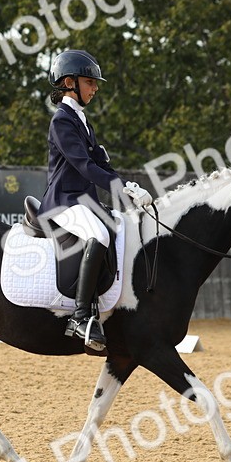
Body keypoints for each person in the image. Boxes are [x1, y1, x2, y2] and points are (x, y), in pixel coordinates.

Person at [39, 49, 152, 352]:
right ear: (68, 82)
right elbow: (84, 167)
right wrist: (121, 186)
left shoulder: (83, 121)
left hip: (84, 201)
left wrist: (127, 189)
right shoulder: (62, 121)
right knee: (98, 233)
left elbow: (101, 163)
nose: (95, 88)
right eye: (90, 82)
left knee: (116, 228)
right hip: (64, 202)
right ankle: (78, 317)